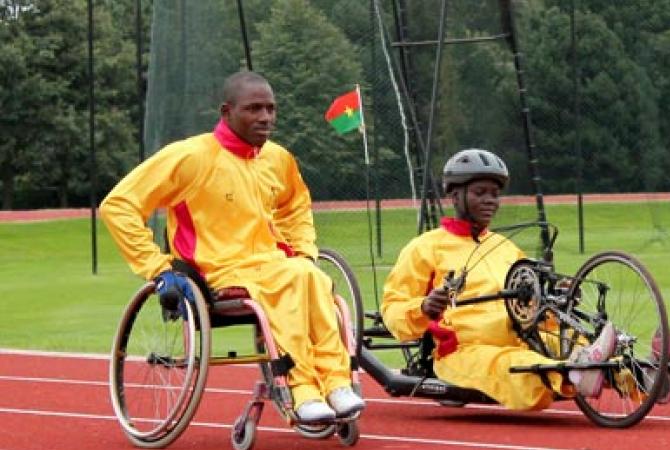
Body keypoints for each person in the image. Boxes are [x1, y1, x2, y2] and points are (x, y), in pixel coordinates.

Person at [100, 70, 364, 423]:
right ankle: (302, 390)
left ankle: (336, 383)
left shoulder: (278, 159)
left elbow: (295, 206)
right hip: (217, 268)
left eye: (271, 109)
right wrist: (158, 268)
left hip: (272, 263)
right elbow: (118, 205)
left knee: (313, 277)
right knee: (289, 280)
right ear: (227, 112)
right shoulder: (189, 157)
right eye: (254, 109)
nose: (266, 118)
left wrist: (302, 250)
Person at [381, 148, 618, 410]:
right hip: (464, 351)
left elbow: (528, 305)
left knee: (572, 338)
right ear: (455, 195)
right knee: (515, 366)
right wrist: (424, 307)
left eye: (495, 195)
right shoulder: (425, 248)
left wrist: (555, 298)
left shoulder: (505, 247)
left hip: (521, 336)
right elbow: (393, 309)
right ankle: (575, 372)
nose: (490, 201)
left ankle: (638, 375)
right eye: (480, 193)